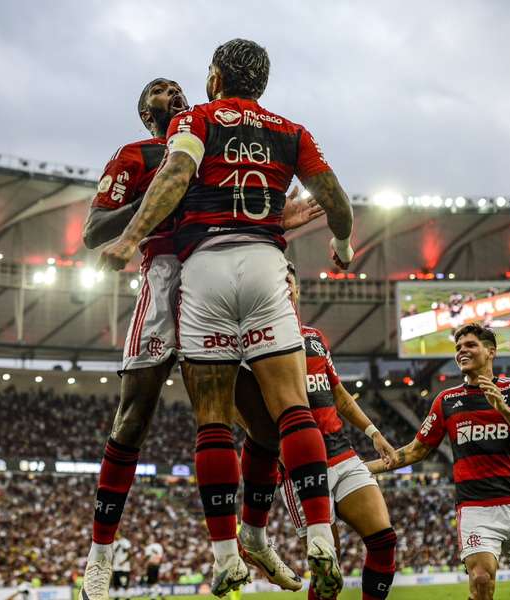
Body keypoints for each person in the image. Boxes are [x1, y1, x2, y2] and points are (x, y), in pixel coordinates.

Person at [99, 38, 355, 597]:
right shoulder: (292, 130)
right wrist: (342, 239)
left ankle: (227, 556)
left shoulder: (197, 120)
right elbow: (336, 197)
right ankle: (321, 541)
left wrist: (131, 238)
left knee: (213, 419)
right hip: (267, 265)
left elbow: (174, 179)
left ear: (213, 77)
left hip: (204, 269)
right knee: (293, 410)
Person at [367, 323, 510, 600]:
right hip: (476, 509)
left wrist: (502, 408)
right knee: (481, 580)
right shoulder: (447, 400)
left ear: (491, 351)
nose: (462, 352)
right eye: (458, 348)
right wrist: (361, 468)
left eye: (470, 345)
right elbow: (414, 452)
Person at [270, 263, 398, 600]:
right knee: (328, 568)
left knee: (384, 541)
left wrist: (373, 432)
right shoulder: (259, 340)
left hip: (342, 453)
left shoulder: (314, 338)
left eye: (288, 281)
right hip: (301, 464)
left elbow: (338, 393)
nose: (284, 286)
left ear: (297, 289)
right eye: (276, 281)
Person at [110, 532, 132, 599]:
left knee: (125, 584)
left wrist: (123, 562)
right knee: (116, 585)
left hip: (124, 567)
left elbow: (130, 553)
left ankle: (127, 598)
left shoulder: (125, 542)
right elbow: (113, 555)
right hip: (116, 567)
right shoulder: (114, 543)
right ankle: (117, 598)